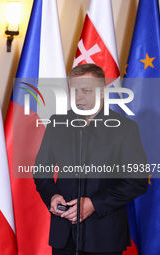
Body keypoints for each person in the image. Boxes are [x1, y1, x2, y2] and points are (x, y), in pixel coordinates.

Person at [34, 63, 148, 255]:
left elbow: (137, 181)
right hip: (64, 235)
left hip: (104, 236)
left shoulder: (125, 128)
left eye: (85, 91)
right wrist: (52, 196)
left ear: (102, 92)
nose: (78, 98)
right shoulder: (58, 123)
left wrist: (94, 204)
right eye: (75, 91)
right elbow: (41, 172)